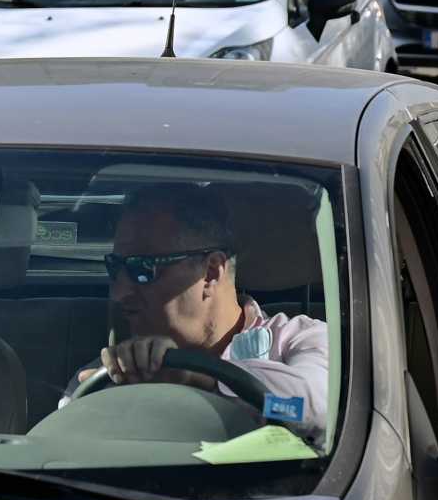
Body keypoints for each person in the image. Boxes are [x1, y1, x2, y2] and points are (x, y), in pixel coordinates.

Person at [65, 184, 331, 432]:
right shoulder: (116, 371)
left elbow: (312, 410)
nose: (119, 292)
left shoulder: (300, 339)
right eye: (116, 267)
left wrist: (200, 378)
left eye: (143, 269)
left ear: (211, 273)